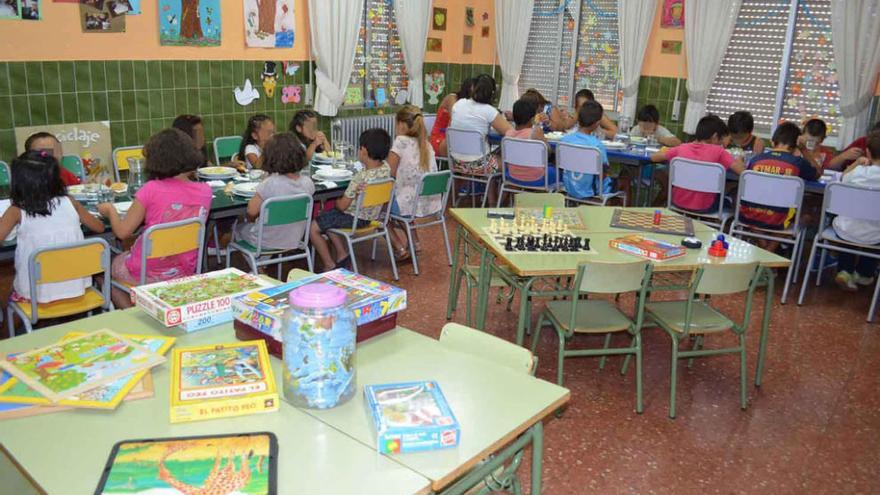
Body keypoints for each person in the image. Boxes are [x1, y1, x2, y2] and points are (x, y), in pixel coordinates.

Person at [97, 129, 212, 308]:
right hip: (184, 270)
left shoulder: (150, 190)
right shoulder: (205, 191)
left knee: (105, 273)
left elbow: (122, 232)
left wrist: (110, 210)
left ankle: (136, 315)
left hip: (147, 271)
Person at [0, 150, 104, 305]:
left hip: (35, 293)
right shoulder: (70, 202)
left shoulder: (16, 210)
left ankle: (11, 327)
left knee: (6, 294)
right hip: (76, 287)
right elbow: (100, 228)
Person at [310, 128, 393, 272]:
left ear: (364, 151)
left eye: (359, 148)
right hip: (373, 217)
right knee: (327, 218)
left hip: (354, 218)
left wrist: (336, 201)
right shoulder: (386, 169)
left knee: (313, 227)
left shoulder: (360, 178)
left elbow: (342, 206)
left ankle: (329, 263)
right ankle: (342, 253)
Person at [738, 122, 821, 244]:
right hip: (779, 220)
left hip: (748, 216)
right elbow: (818, 173)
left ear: (773, 141)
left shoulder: (756, 160)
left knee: (754, 210)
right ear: (795, 145)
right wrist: (804, 150)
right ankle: (770, 250)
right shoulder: (797, 163)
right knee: (804, 215)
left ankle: (764, 247)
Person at [234, 132, 315, 253]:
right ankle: (262, 264)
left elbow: (251, 211)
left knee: (238, 228)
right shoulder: (308, 182)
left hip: (265, 241)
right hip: (295, 238)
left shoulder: (270, 183)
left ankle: (258, 266)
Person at [651, 115, 745, 213]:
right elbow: (742, 172)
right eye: (719, 140)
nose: (720, 143)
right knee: (729, 198)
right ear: (714, 136)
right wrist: (740, 159)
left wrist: (667, 149)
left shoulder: (681, 148)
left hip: (677, 202)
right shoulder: (719, 152)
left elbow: (654, 157)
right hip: (705, 206)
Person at [387, 105, 440, 258]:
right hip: (428, 203)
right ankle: (414, 241)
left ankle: (399, 248)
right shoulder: (426, 144)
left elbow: (388, 173)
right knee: (402, 204)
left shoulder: (401, 142)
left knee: (377, 213)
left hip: (408, 203)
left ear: (402, 124)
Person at [833, 131, 880, 291]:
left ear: (867, 152)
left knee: (850, 226)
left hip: (847, 230)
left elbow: (841, 179)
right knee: (872, 231)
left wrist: (856, 164)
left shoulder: (858, 173)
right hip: (875, 235)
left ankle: (845, 271)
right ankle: (864, 274)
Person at [560, 100, 615, 200]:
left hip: (569, 188)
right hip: (591, 192)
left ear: (578, 119)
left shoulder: (564, 140)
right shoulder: (597, 146)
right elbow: (603, 173)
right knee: (621, 181)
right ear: (598, 123)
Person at [502, 99, 555, 188]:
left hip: (512, 176)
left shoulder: (508, 134)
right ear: (532, 119)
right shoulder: (536, 131)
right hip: (535, 178)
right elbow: (548, 151)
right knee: (557, 171)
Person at [430, 78, 474, 157]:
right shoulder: (452, 98)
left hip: (454, 138)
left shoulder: (469, 104)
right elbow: (456, 119)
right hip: (441, 139)